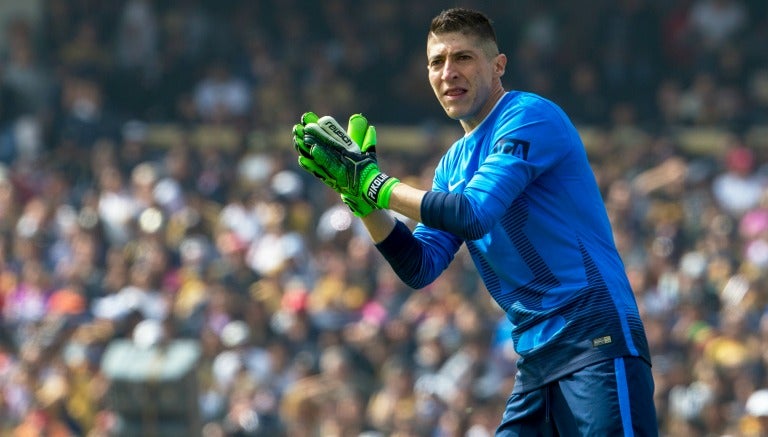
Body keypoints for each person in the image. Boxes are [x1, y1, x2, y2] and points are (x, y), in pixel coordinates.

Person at [292, 7, 658, 436]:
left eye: (463, 57)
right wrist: (361, 199)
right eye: (437, 62)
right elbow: (419, 266)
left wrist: (374, 183)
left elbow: (473, 213)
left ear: (497, 65)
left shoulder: (529, 115)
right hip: (537, 359)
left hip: (595, 340)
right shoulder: (451, 165)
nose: (449, 72)